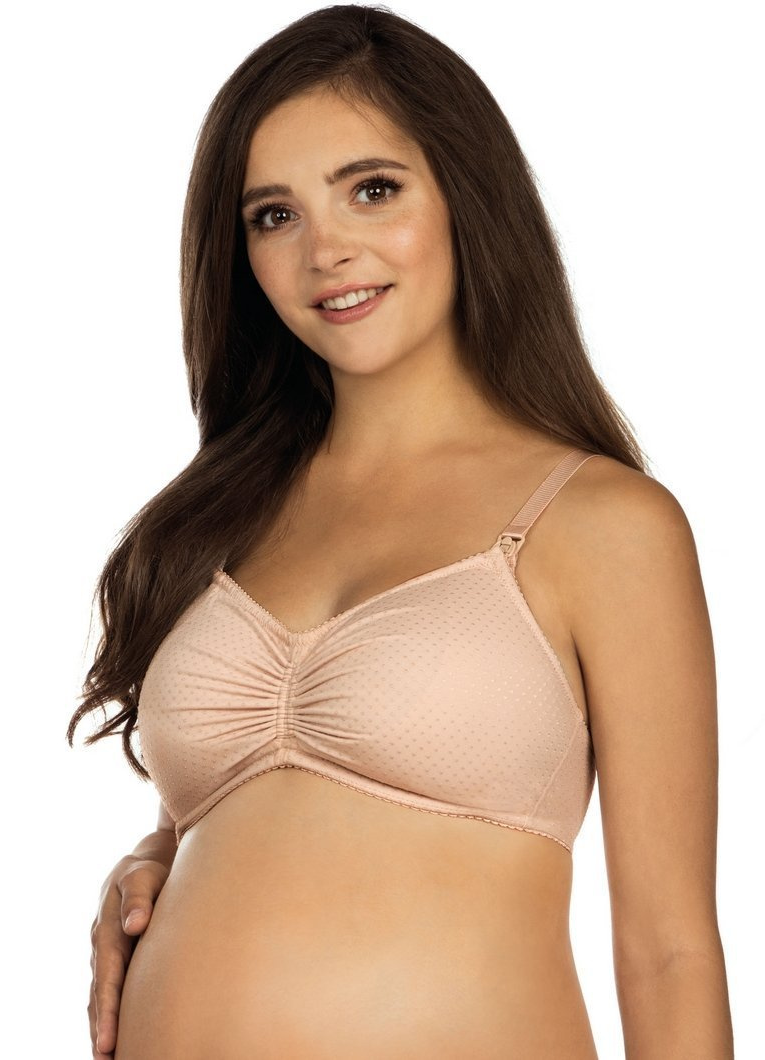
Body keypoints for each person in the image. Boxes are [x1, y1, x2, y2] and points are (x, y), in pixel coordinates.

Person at [68, 5, 734, 1057]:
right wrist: (155, 857)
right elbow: (264, 815)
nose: (326, 250)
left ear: (467, 196)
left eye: (372, 190)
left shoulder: (600, 523)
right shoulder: (218, 519)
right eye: (273, 215)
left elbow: (669, 950)